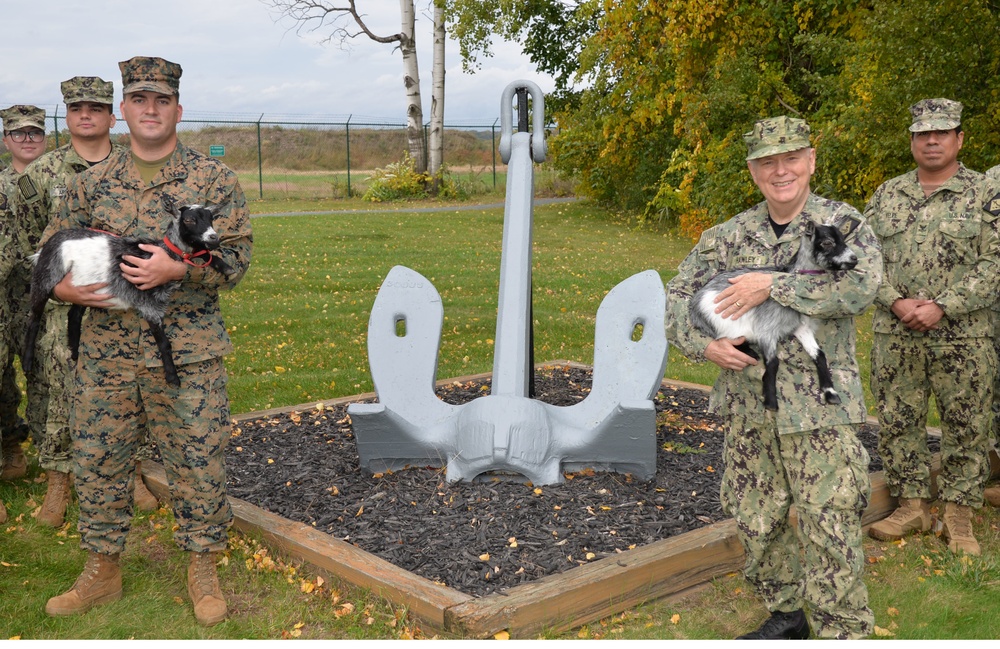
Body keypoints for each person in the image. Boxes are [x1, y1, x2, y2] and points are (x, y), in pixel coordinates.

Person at [43, 56, 253, 627]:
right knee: (99, 461)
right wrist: (65, 290)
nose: (151, 110)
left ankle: (202, 568)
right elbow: (51, 257)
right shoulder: (89, 185)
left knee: (198, 460)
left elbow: (234, 260)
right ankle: (101, 571)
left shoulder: (212, 181)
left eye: (161, 101)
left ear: (178, 110)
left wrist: (179, 271)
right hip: (105, 353)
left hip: (187, 352)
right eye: (139, 100)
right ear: (123, 113)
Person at [665, 116, 880, 640]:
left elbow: (861, 288)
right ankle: (786, 614)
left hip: (820, 412)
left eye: (791, 158)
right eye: (767, 162)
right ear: (753, 170)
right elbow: (675, 300)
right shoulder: (726, 237)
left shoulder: (843, 225)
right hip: (748, 405)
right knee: (755, 517)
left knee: (831, 522)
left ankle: (842, 628)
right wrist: (704, 344)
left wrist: (775, 285)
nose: (780, 171)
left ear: (810, 160)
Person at [19, 76, 160, 528]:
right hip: (62, 308)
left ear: (111, 115)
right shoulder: (42, 172)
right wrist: (57, 291)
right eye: (77, 107)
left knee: (128, 388)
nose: (86, 115)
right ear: (66, 114)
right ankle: (59, 481)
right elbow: (27, 248)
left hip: (118, 305)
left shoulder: (134, 168)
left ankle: (132, 473)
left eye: (96, 108)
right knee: (59, 391)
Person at [865, 99, 1000, 556]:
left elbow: (995, 264)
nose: (932, 140)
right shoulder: (887, 194)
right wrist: (894, 300)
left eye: (942, 132)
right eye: (923, 133)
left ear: (960, 139)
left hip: (964, 337)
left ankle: (959, 517)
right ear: (912, 141)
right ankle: (913, 506)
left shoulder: (985, 194)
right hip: (896, 333)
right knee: (898, 421)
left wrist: (943, 305)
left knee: (968, 426)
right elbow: (864, 260)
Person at [0, 105, 48, 517]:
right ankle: (11, 449)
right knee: (2, 381)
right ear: (5, 140)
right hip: (2, 295)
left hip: (41, 295)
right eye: (18, 134)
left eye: (34, 132)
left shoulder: (58, 180)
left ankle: (52, 460)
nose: (27, 139)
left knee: (45, 375)